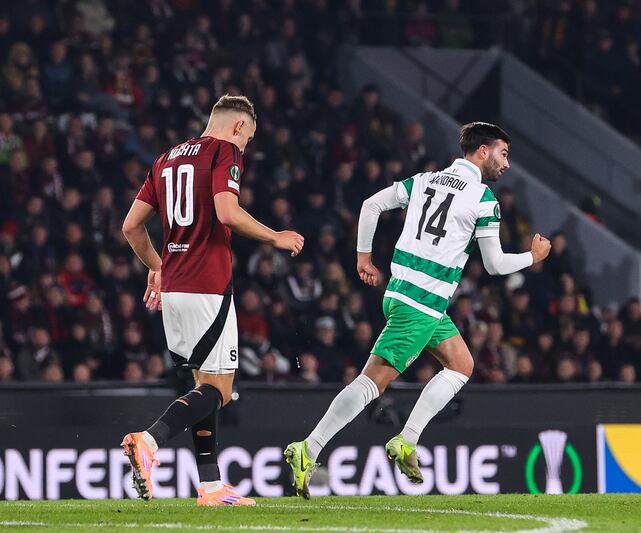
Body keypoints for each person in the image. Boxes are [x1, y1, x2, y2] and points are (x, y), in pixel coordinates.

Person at [284, 122, 551, 498]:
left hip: (406, 294)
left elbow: (371, 205)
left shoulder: (426, 180)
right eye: (503, 154)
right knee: (372, 382)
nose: (507, 164)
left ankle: (407, 440)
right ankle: (308, 449)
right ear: (482, 151)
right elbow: (494, 265)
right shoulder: (482, 198)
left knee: (461, 364)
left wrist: (363, 257)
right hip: (421, 304)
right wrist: (532, 257)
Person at [119, 95, 304, 506]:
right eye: (248, 139)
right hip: (207, 285)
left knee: (204, 385)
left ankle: (211, 485)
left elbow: (131, 226)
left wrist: (159, 267)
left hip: (175, 290)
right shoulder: (224, 152)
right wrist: (275, 236)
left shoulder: (165, 159)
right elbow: (227, 212)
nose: (245, 149)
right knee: (220, 389)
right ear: (238, 127)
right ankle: (148, 440)